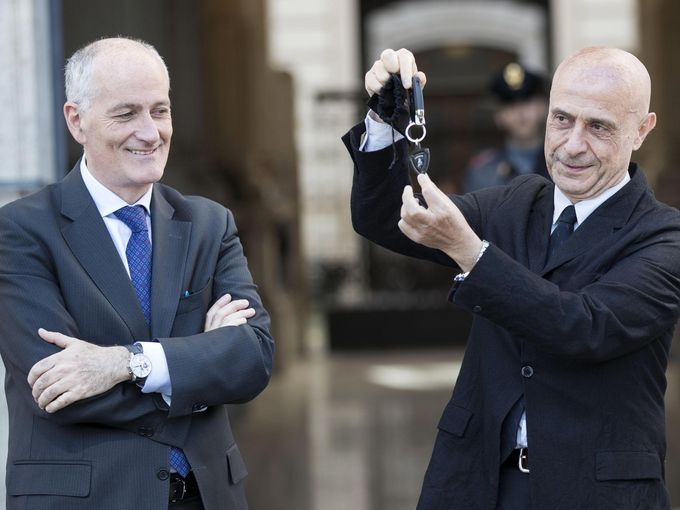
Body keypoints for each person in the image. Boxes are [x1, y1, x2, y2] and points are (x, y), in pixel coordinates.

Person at [344, 46, 680, 509]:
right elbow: (388, 218)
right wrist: (385, 123)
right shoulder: (516, 202)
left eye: (598, 127)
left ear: (642, 130)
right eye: (562, 119)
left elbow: (585, 326)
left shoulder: (664, 237)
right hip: (475, 483)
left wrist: (470, 252)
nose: (573, 145)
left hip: (594, 493)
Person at [0, 37, 274, 510]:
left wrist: (125, 364)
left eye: (160, 111)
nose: (150, 133)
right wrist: (199, 367)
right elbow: (59, 389)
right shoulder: (22, 231)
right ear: (76, 121)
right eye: (126, 114)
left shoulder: (210, 225)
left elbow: (253, 359)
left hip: (206, 497)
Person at [462, 62, 549, 192]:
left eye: (527, 101)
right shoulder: (483, 172)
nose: (520, 112)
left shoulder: (565, 164)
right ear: (498, 116)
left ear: (544, 106)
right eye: (510, 104)